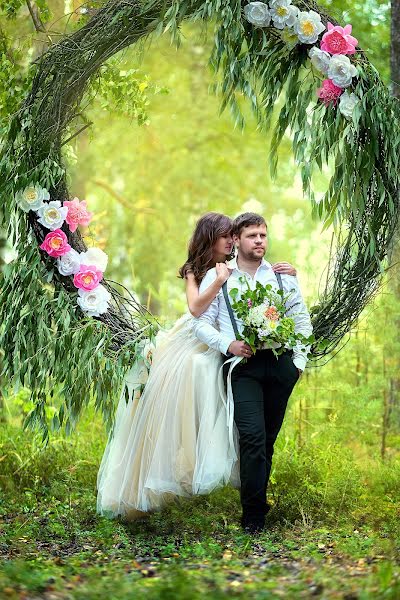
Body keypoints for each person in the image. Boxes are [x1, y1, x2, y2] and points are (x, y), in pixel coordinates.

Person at [97, 212, 297, 520]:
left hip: (227, 338)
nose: (231, 240)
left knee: (247, 420)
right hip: (197, 337)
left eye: (233, 235)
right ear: (210, 239)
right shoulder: (198, 270)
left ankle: (230, 471)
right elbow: (195, 309)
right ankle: (189, 465)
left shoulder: (241, 268)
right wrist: (218, 282)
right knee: (197, 370)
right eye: (226, 236)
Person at [193, 212, 312, 534]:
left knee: (268, 439)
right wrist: (227, 344)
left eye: (263, 235)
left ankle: (259, 501)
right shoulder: (220, 277)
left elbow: (301, 322)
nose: (259, 241)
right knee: (252, 438)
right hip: (243, 367)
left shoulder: (283, 277)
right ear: (236, 240)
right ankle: (253, 516)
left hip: (281, 364)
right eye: (252, 236)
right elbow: (200, 323)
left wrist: (298, 362)